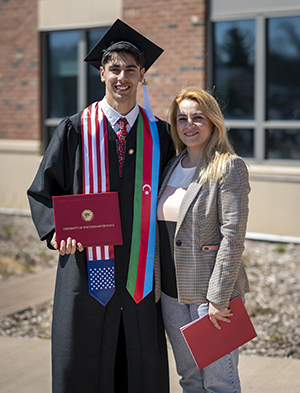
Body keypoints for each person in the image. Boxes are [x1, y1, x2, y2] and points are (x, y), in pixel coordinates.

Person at [27, 19, 174, 393]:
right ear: (101, 74)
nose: (121, 77)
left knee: (138, 363)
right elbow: (44, 190)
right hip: (86, 266)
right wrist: (56, 232)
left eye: (130, 70)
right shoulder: (76, 128)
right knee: (83, 358)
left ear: (142, 75)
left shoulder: (159, 135)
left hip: (140, 273)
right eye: (114, 69)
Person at [155, 86, 251, 393]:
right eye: (182, 118)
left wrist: (218, 298)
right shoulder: (170, 166)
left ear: (212, 122)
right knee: (190, 380)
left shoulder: (228, 167)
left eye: (198, 117)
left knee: (220, 383)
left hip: (210, 298)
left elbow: (233, 237)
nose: (189, 125)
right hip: (171, 294)